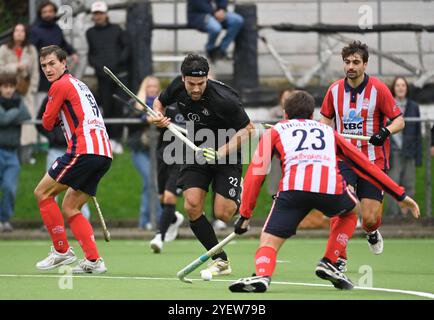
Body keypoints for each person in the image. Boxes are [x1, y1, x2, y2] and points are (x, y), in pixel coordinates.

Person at [228, 90, 420, 293]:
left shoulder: (274, 132)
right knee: (353, 211)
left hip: (293, 190)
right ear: (312, 115)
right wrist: (400, 194)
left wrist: (245, 215)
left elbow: (255, 176)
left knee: (268, 241)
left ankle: (263, 274)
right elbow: (365, 164)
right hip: (330, 188)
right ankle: (330, 259)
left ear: (284, 114)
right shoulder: (327, 130)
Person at [148, 54, 255, 276]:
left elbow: (248, 129)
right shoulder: (177, 87)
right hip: (196, 150)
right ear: (183, 78)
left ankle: (238, 193)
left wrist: (219, 153)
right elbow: (159, 102)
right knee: (191, 205)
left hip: (226, 152)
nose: (196, 89)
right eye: (191, 84)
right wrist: (158, 115)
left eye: (201, 83)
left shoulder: (225, 98)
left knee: (224, 214)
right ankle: (220, 259)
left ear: (207, 78)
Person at [320, 41, 405, 261]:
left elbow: (399, 120)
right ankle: (337, 259)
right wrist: (325, 139)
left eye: (356, 62)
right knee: (342, 206)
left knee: (368, 217)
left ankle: (371, 231)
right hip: (344, 160)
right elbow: (326, 120)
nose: (351, 66)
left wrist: (385, 132)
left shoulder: (379, 89)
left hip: (372, 162)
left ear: (365, 65)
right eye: (347, 62)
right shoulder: (334, 90)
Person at [33, 45, 111, 274]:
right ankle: (94, 261)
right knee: (70, 206)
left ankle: (61, 251)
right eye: (44, 65)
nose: (48, 69)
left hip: (84, 149)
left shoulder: (60, 85)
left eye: (52, 64)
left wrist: (56, 117)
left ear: (64, 63)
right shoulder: (79, 84)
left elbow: (46, 123)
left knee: (42, 193)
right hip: (103, 153)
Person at [36, 97, 91, 220]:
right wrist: (52, 137)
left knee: (78, 187)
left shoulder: (78, 99)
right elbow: (40, 121)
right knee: (50, 189)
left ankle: (84, 220)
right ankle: (52, 223)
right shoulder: (50, 98)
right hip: (56, 149)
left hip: (76, 152)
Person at [86, 1, 130, 154]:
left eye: (100, 13)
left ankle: (117, 139)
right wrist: (99, 68)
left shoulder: (117, 29)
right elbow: (91, 55)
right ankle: (108, 139)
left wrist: (117, 64)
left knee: (119, 106)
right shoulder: (90, 32)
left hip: (118, 76)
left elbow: (126, 49)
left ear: (106, 14)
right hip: (102, 77)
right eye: (96, 14)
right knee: (106, 107)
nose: (98, 16)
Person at [149, 99, 186, 253]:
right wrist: (157, 120)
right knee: (163, 198)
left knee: (170, 197)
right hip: (163, 155)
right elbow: (152, 117)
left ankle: (159, 236)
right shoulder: (170, 104)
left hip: (184, 157)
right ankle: (174, 219)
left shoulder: (199, 109)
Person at [0, 23, 39, 164]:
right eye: (17, 30)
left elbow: (35, 72)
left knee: (27, 121)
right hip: (6, 91)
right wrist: (15, 67)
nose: (19, 33)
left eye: (22, 31)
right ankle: (8, 153)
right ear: (12, 33)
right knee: (7, 119)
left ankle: (26, 156)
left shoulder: (31, 50)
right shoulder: (4, 49)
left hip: (25, 91)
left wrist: (32, 90)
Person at [30, 1, 79, 113]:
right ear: (40, 14)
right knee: (42, 105)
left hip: (57, 73)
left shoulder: (56, 28)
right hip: (41, 73)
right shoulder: (34, 30)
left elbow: (63, 43)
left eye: (50, 11)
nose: (48, 14)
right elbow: (31, 52)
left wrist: (72, 53)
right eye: (45, 12)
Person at [127, 76, 162, 230]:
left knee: (157, 183)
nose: (152, 89)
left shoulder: (162, 105)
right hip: (140, 149)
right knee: (150, 181)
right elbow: (130, 122)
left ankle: (159, 220)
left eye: (155, 86)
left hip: (157, 150)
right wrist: (144, 119)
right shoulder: (134, 104)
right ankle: (146, 221)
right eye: (149, 86)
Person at [385, 77, 422, 217]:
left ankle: (408, 217)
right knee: (392, 185)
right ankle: (392, 216)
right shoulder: (387, 104)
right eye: (398, 85)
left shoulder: (414, 107)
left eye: (403, 85)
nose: (400, 88)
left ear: (406, 88)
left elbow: (418, 132)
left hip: (409, 152)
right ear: (393, 88)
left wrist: (418, 156)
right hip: (392, 153)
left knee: (410, 184)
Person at [0, 74, 31, 232]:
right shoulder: (17, 104)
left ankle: (5, 219)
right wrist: (15, 111)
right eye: (5, 87)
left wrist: (11, 113)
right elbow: (3, 119)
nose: (8, 90)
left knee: (10, 188)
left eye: (11, 86)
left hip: (13, 153)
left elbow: (27, 116)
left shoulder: (19, 100)